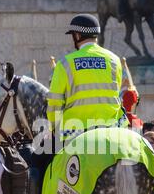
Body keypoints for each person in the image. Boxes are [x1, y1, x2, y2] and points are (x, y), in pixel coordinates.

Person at [47, 13, 128, 143]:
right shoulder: (114, 60)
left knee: (37, 160)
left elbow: (54, 103)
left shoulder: (65, 63)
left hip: (74, 131)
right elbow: (117, 93)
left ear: (77, 36)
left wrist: (53, 129)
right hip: (113, 129)